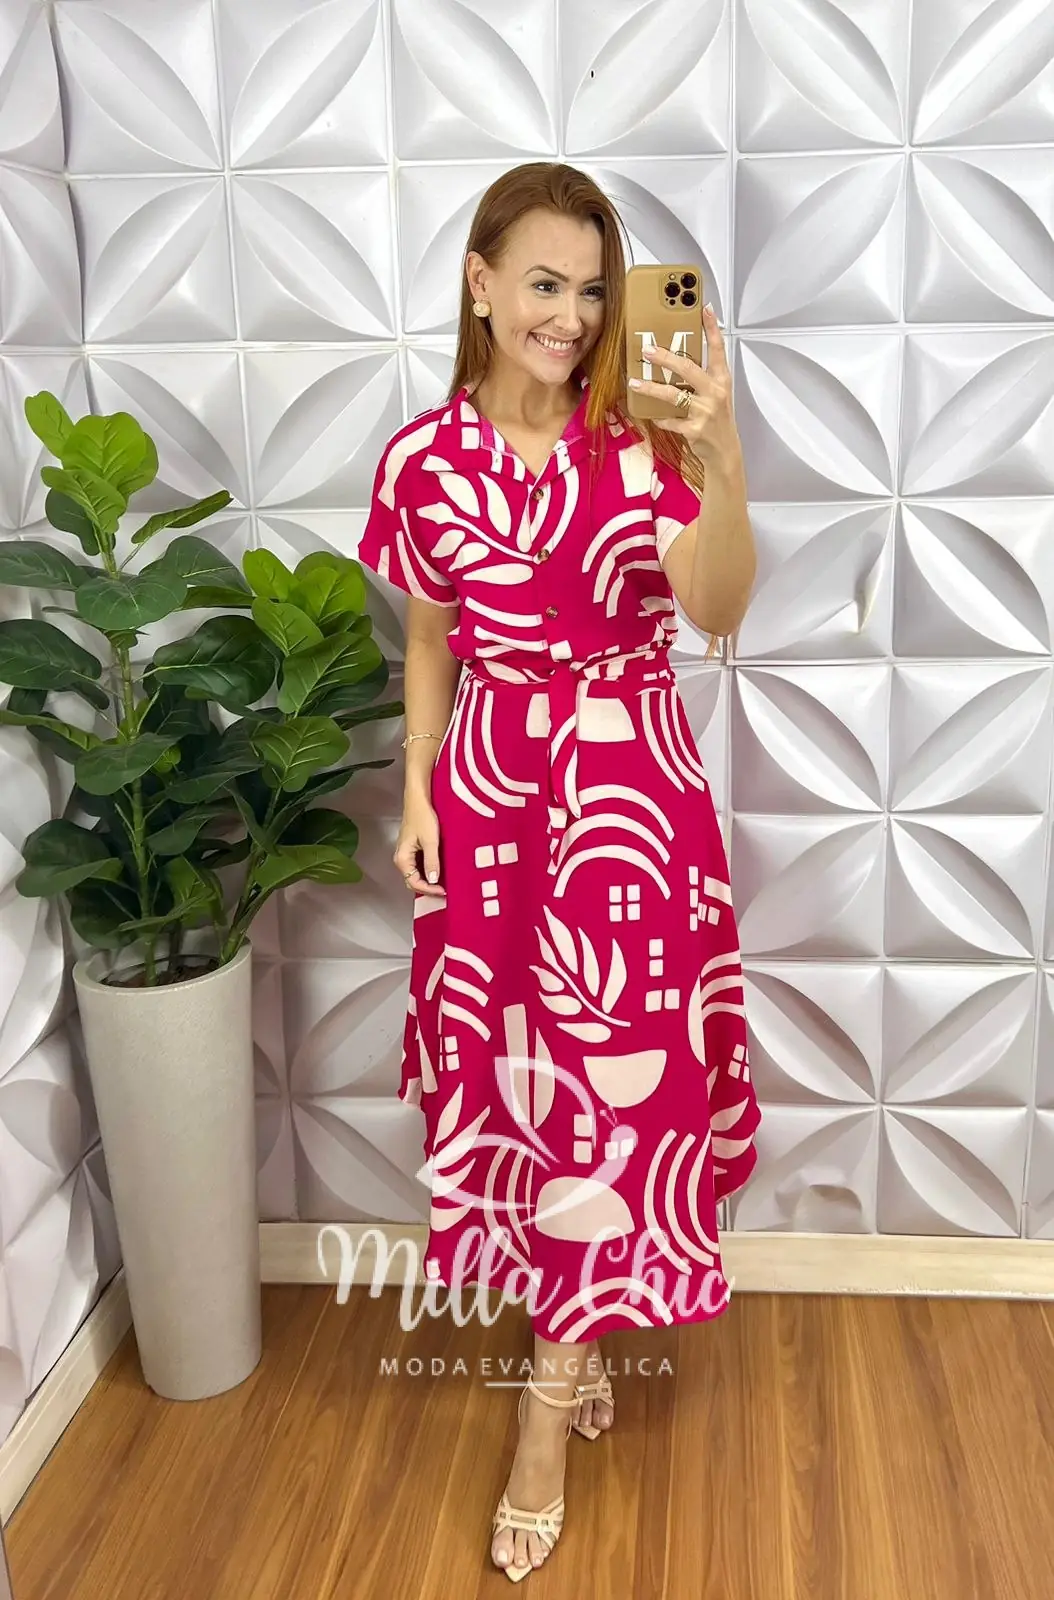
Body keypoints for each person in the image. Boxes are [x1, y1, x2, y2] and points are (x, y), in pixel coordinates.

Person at [357, 161, 760, 1583]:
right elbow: (428, 635)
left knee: (611, 1097)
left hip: (628, 802)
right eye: (544, 283)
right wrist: (417, 786)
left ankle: (544, 1418)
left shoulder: (644, 440)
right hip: (486, 801)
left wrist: (721, 459)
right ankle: (575, 1334)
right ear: (479, 281)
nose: (574, 317)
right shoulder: (421, 461)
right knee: (522, 1086)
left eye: (594, 290)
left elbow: (715, 609)